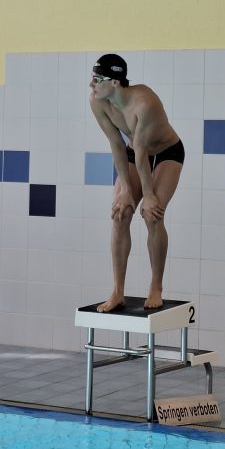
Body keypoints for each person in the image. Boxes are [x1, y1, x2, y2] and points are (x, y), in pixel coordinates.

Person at [89, 53, 184, 312]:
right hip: (134, 153)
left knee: (152, 215)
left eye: (97, 79)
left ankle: (156, 286)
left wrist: (149, 195)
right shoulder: (97, 101)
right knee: (121, 212)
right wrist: (125, 191)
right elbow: (117, 145)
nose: (92, 84)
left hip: (166, 153)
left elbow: (142, 153)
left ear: (115, 82)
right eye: (92, 78)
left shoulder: (145, 103)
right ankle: (118, 290)